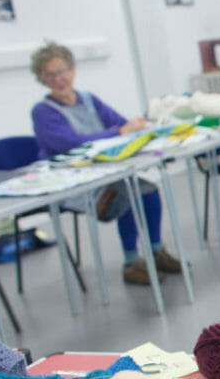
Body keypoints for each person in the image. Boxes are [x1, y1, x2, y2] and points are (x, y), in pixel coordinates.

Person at [29, 41, 183, 286]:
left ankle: (156, 251)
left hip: (105, 172)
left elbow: (121, 124)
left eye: (62, 71)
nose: (59, 79)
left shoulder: (89, 100)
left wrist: (137, 128)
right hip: (72, 182)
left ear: (73, 70)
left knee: (148, 190)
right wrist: (117, 132)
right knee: (131, 194)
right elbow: (71, 144)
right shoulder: (42, 112)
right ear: (42, 79)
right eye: (51, 75)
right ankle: (131, 263)